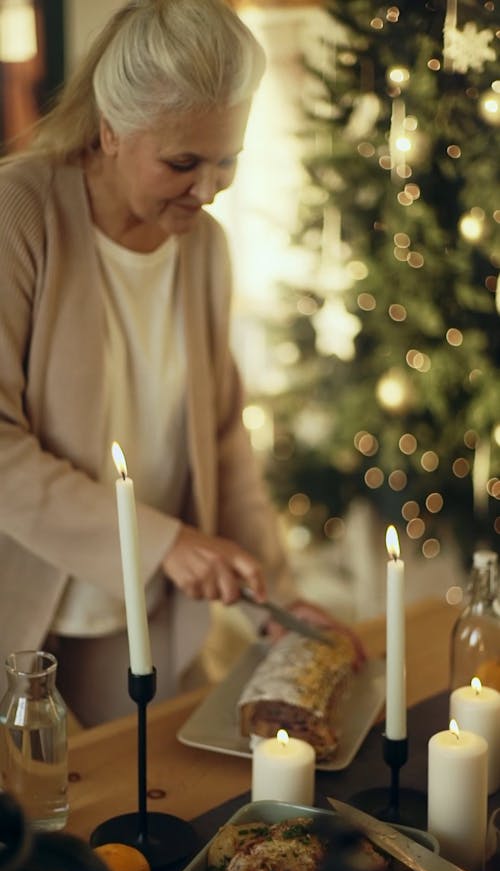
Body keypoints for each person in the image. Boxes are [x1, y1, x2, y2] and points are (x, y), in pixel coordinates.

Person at [0, 0, 363, 727]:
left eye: (227, 160)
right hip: (24, 606)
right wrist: (165, 542)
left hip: (150, 611)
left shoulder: (204, 248)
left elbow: (224, 436)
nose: (207, 190)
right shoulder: (20, 214)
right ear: (110, 129)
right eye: (182, 162)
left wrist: (278, 595)